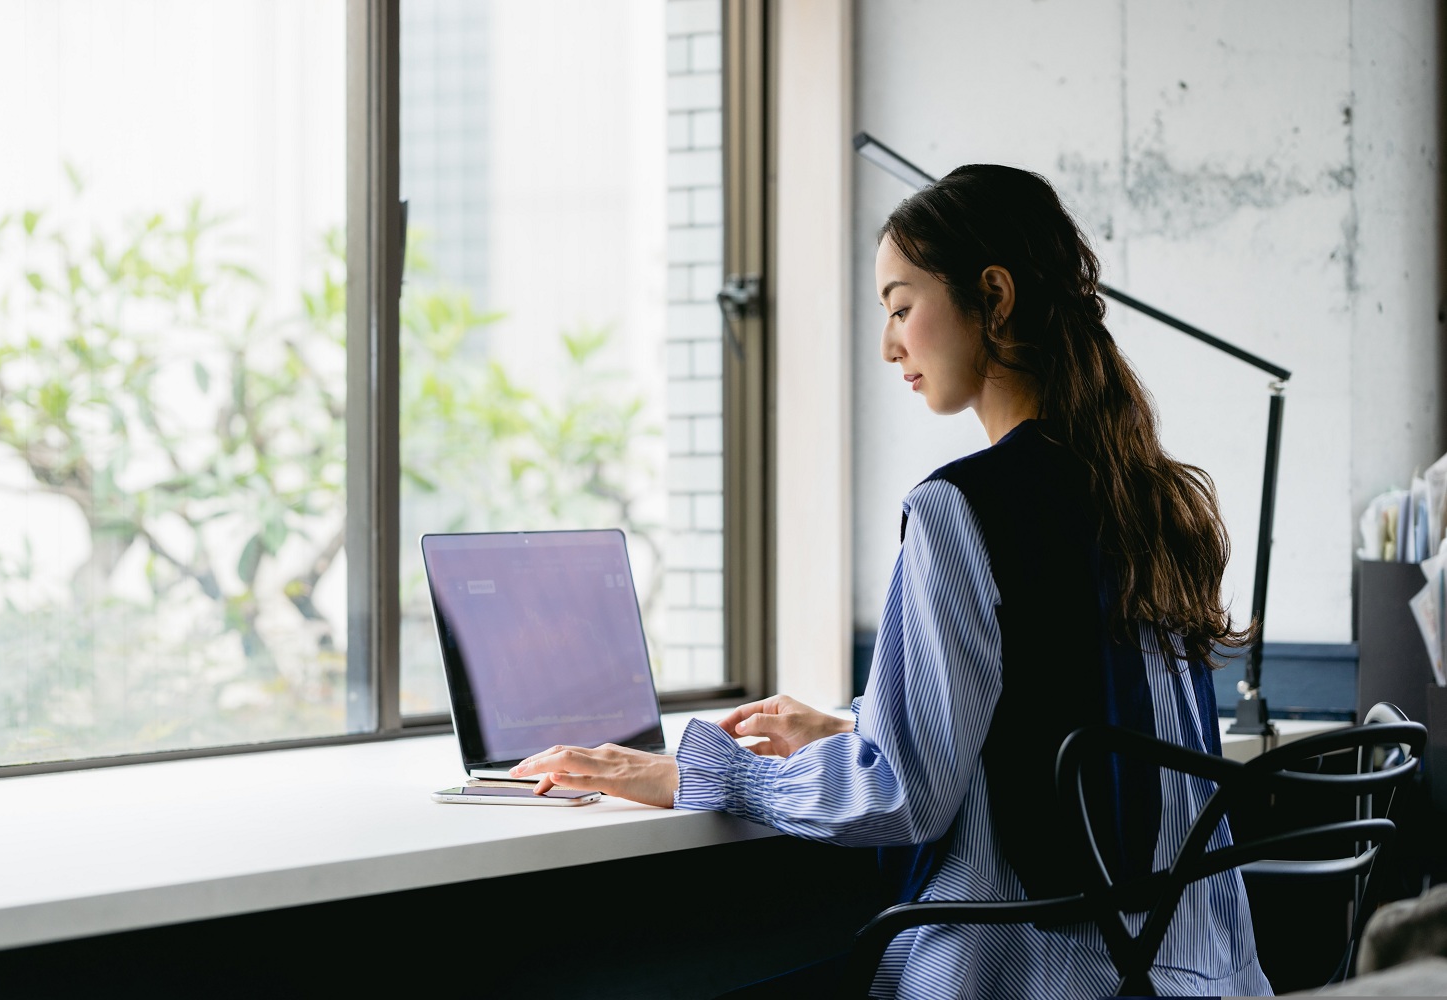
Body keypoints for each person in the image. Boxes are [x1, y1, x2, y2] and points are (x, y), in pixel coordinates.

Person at [510, 164, 1273, 999]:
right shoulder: (1149, 497)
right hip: (1205, 973)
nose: (888, 345)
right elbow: (1054, 709)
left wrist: (690, 772)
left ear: (994, 295)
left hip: (1039, 971)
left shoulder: (962, 509)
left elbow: (904, 796)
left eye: (901, 307)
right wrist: (852, 726)